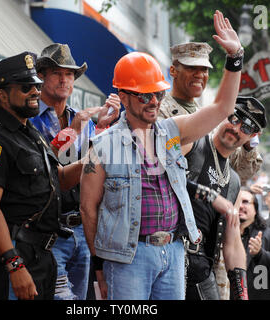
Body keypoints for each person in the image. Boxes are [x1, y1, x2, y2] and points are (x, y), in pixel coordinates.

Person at [80, 10, 243, 300]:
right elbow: (88, 209)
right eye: (145, 95)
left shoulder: (172, 130)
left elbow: (221, 109)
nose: (153, 101)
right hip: (128, 259)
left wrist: (235, 59)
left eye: (158, 94)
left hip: (174, 251)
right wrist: (100, 268)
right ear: (123, 94)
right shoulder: (103, 147)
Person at [0, 51, 85, 300]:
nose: (34, 91)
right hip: (16, 258)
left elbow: (60, 180)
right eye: (25, 87)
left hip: (43, 256)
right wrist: (15, 265)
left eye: (36, 85)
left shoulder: (29, 132)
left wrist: (95, 161)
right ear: (1, 94)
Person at [30, 43, 120, 300]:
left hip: (82, 227)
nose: (64, 79)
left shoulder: (79, 117)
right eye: (57, 72)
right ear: (42, 76)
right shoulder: (30, 117)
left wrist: (102, 129)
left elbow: (92, 166)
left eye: (69, 74)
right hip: (47, 229)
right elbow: (44, 164)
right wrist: (77, 129)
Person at [183, 95, 267, 300]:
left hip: (202, 269)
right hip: (169, 258)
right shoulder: (193, 143)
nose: (236, 128)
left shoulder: (235, 182)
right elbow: (161, 174)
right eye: (234, 118)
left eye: (246, 128)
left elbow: (233, 242)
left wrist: (241, 293)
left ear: (251, 137)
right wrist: (209, 195)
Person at [158, 42, 262, 185]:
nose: (199, 75)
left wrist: (248, 144)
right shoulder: (157, 111)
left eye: (204, 69)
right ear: (173, 71)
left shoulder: (208, 119)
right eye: (191, 68)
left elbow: (240, 172)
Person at [237, 187, 270, 299]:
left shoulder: (267, 234)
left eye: (246, 202)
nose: (240, 206)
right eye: (237, 202)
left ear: (255, 209)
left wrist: (259, 254)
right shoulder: (224, 233)